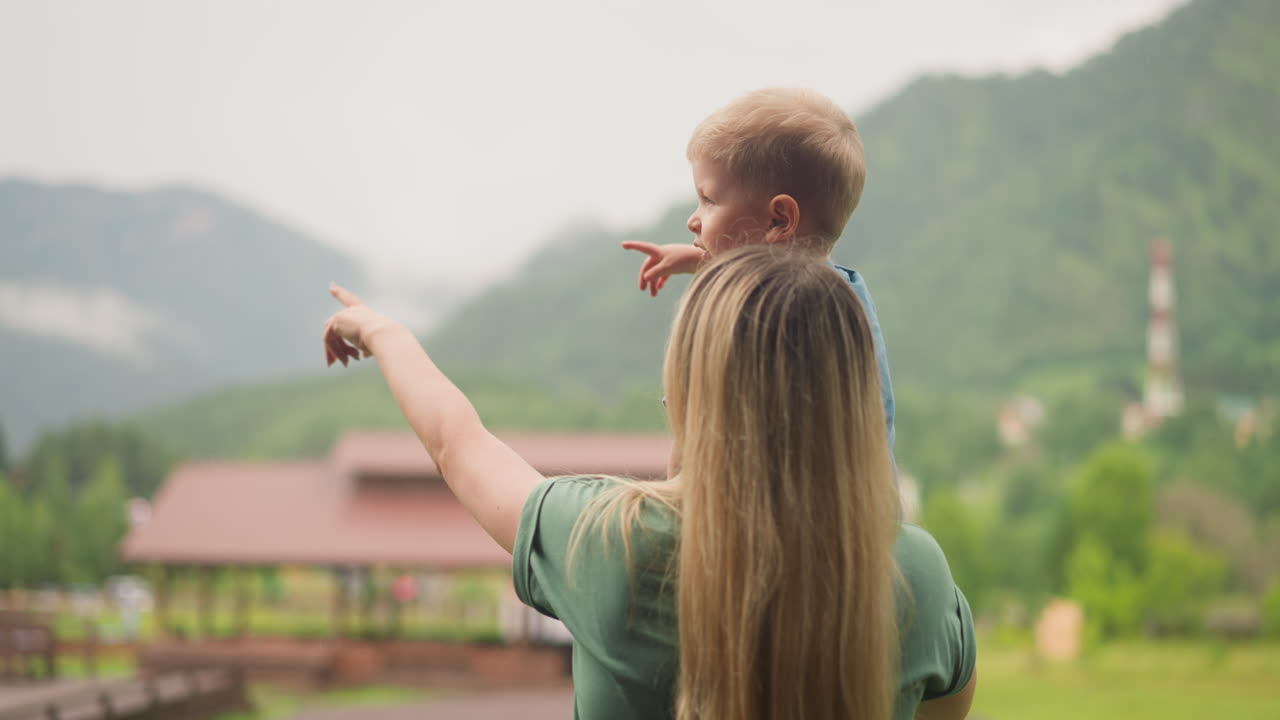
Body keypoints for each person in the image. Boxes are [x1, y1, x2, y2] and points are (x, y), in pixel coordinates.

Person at [323, 246, 975, 720]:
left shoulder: (612, 539)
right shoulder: (917, 572)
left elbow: (456, 444)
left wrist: (384, 332)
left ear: (692, 393)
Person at [622, 88, 896, 449]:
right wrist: (694, 260)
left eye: (709, 200)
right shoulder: (843, 291)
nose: (693, 220)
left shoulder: (787, 320)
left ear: (779, 220)